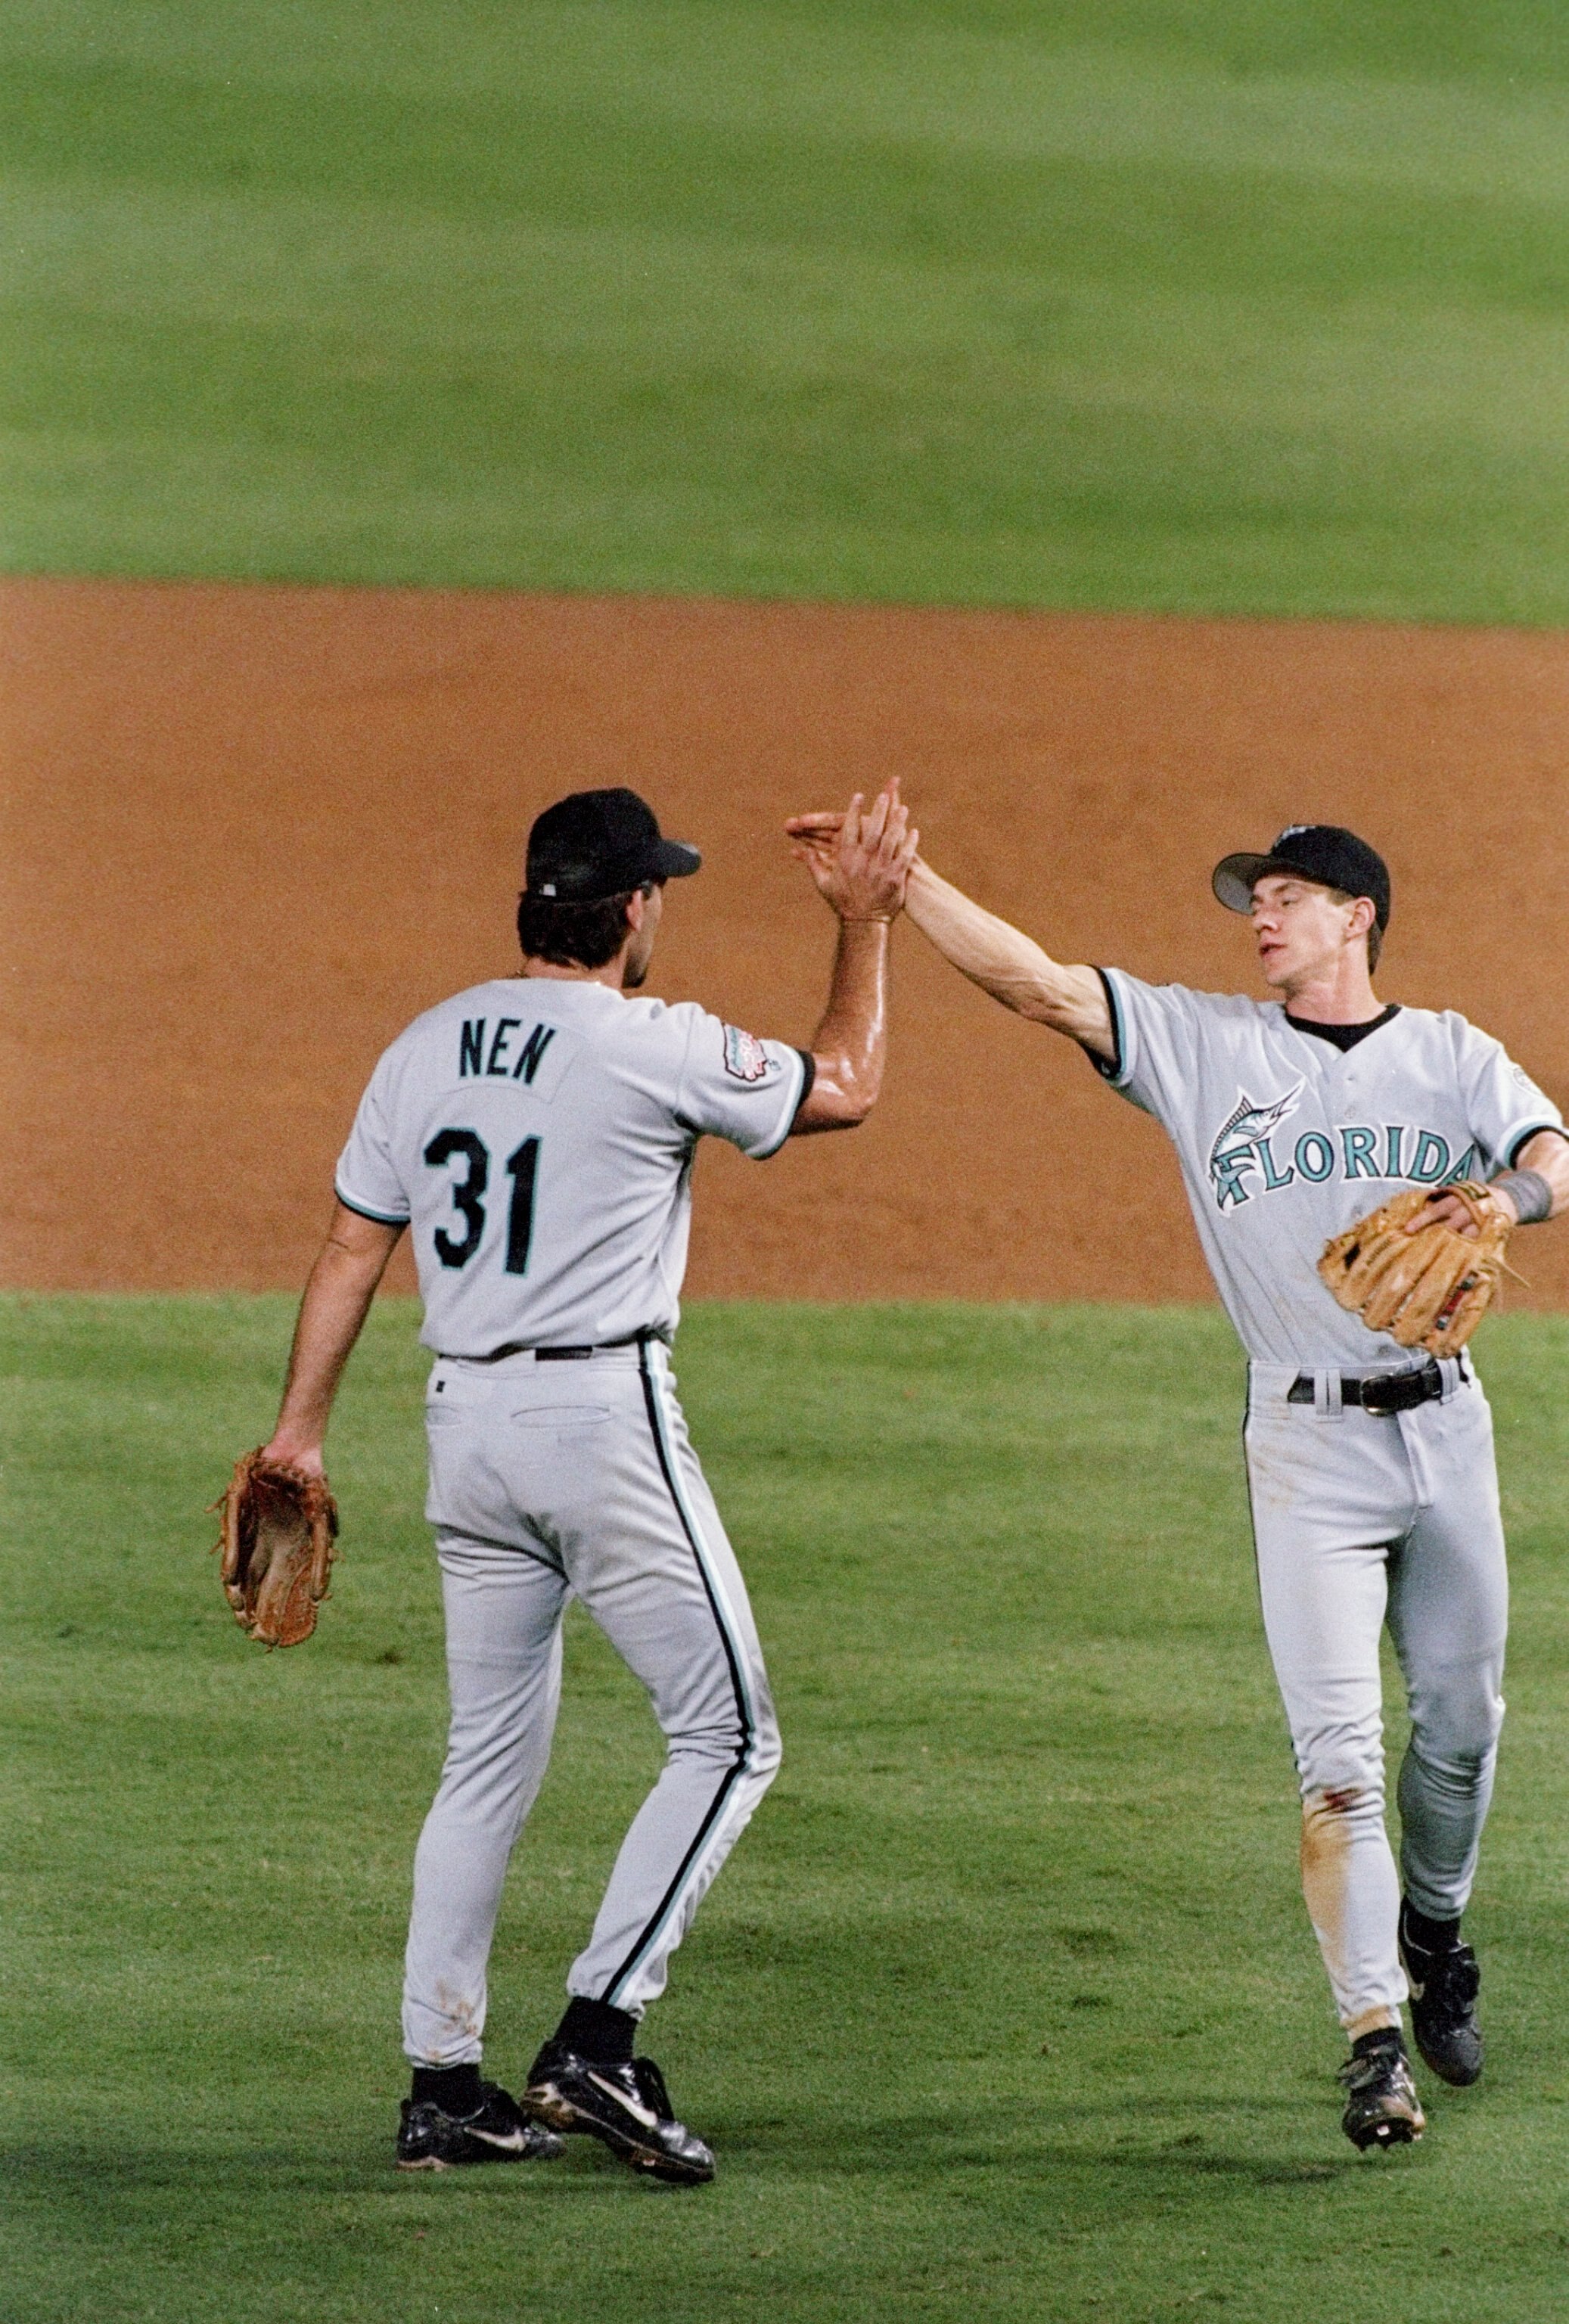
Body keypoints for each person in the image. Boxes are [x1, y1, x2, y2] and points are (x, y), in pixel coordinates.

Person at [789, 799, 1568, 2151]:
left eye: (1283, 896)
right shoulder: (1202, 1046)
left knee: (1461, 1721)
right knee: (1337, 1763)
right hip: (1304, 1447)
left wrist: (1508, 1201)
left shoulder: (1449, 1054)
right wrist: (905, 884)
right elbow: (1035, 984)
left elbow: (1554, 1151)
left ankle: (1435, 1935)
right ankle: (1372, 2040)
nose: (1259, 917)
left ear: (1354, 916)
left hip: (1445, 1432)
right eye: (1251, 900)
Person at [258, 783, 916, 2183]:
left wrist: (298, 1432)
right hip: (596, 1418)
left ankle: (442, 2087)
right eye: (657, 891)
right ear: (630, 913)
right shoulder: (650, 1041)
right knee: (729, 1736)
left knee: (483, 1759)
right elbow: (844, 1086)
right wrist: (863, 926)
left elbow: (350, 1249)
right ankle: (598, 2039)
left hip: (463, 1428)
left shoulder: (423, 1045)